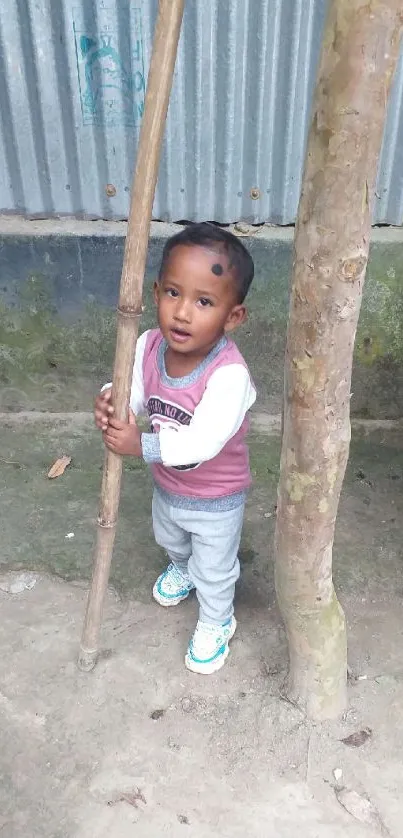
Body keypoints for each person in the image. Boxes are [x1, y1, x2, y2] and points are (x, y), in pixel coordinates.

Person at [94, 222, 256, 674]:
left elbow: (201, 442)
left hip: (216, 500)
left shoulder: (229, 376)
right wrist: (113, 401)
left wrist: (138, 443)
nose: (182, 313)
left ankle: (217, 620)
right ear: (154, 291)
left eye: (204, 301)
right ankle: (181, 568)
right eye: (172, 293)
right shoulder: (148, 345)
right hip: (168, 486)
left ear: (233, 317)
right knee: (170, 538)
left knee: (215, 568)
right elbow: (133, 390)